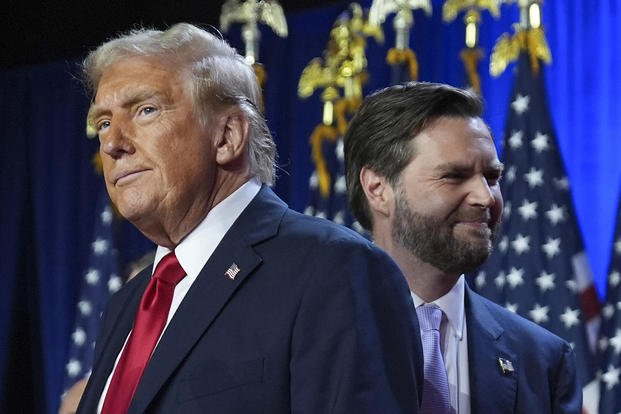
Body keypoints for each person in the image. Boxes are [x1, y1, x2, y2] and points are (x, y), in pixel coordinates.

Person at [75, 23, 423, 414]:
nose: (112, 143)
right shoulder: (129, 302)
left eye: (146, 110)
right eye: (103, 123)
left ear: (227, 136)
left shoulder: (332, 270)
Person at [343, 81, 582, 413]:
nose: (485, 197)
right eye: (454, 176)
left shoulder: (542, 361)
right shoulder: (310, 338)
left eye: (492, 177)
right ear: (378, 188)